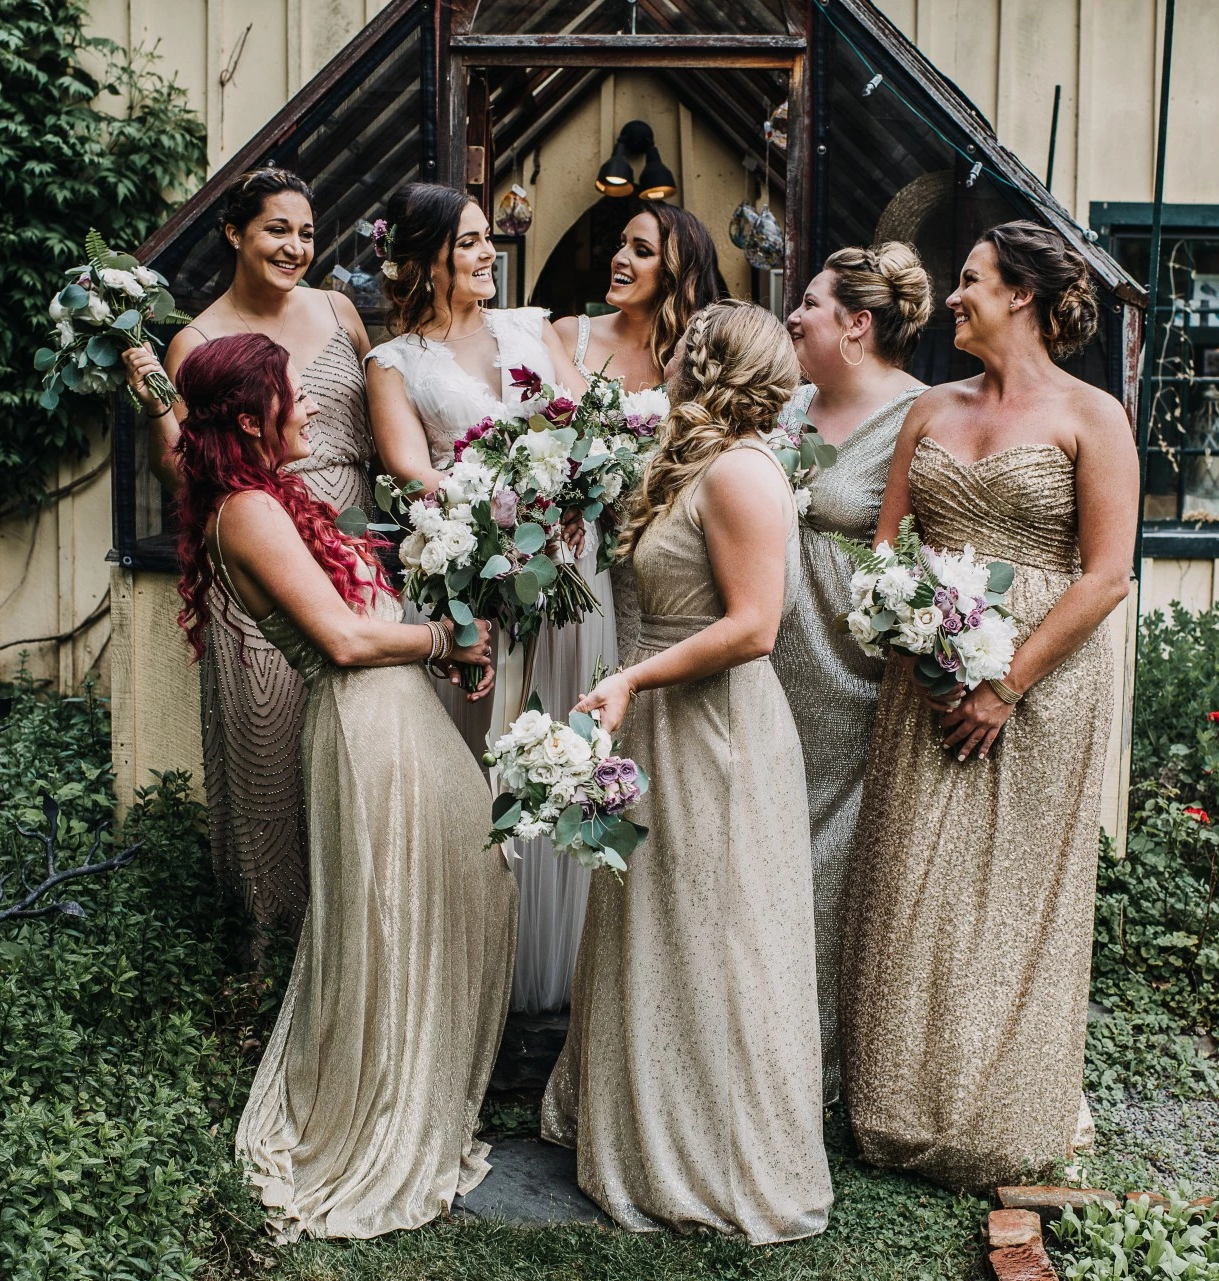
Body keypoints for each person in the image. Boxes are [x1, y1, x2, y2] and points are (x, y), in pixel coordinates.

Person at [170, 331, 516, 1241]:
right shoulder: (244, 510)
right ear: (252, 417)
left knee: (463, 886)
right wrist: (447, 643)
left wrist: (443, 650)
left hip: (396, 714)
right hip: (365, 727)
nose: (316, 406)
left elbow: (371, 620)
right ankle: (382, 1110)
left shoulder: (273, 496)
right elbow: (345, 642)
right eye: (296, 396)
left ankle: (426, 1090)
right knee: (397, 913)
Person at [841, 221, 1136, 1192]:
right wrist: (912, 639)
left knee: (1010, 893)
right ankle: (894, 1105)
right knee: (911, 875)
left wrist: (1007, 683)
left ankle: (1003, 1106)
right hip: (922, 672)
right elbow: (885, 548)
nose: (952, 297)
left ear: (1022, 297)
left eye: (969, 282)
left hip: (1040, 681)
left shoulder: (1094, 418)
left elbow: (1104, 577)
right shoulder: (929, 410)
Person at [541, 302, 832, 1244]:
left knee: (720, 931)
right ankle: (635, 1122)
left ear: (709, 365)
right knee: (659, 921)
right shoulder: (688, 462)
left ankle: (719, 1157)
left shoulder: (745, 472)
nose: (668, 357)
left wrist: (631, 675)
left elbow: (754, 628)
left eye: (685, 347)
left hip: (718, 733)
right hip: (660, 720)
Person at [366, 182, 609, 1016]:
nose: (484, 255)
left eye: (484, 240)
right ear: (427, 256)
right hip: (475, 578)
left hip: (572, 567)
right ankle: (483, 975)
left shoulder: (530, 327)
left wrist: (570, 496)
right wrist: (503, 513)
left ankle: (570, 972)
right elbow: (410, 469)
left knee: (565, 737)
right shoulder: (393, 364)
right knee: (488, 754)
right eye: (466, 242)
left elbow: (588, 423)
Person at [123, 167, 370, 952]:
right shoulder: (198, 338)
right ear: (234, 233)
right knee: (270, 746)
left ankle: (354, 932)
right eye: (277, 230)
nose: (296, 246)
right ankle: (270, 944)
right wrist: (160, 402)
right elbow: (186, 465)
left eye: (305, 231)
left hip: (352, 547)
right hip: (261, 552)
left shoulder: (339, 310)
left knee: (353, 743)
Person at [773, 241, 932, 1103]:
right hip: (769, 655)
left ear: (858, 325)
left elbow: (922, 548)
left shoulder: (919, 412)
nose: (792, 317)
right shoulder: (789, 402)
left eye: (810, 304)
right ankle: (759, 1047)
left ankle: (823, 1068)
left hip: (854, 668)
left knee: (833, 867)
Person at [551, 203, 725, 391]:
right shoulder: (568, 335)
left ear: (675, 272)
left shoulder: (699, 359)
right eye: (622, 244)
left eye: (641, 251)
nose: (618, 258)